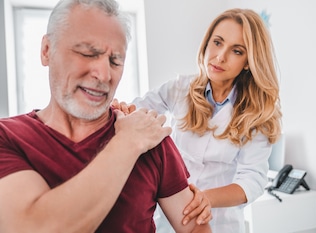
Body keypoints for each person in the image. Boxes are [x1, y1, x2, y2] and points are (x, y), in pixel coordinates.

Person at [0, 0, 212, 232]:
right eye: (87, 53)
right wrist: (127, 143)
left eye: (115, 61)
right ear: (46, 51)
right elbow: (34, 227)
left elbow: (194, 227)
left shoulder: (151, 137)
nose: (104, 75)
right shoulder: (7, 138)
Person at [114, 8, 282, 233]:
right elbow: (140, 108)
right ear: (206, 43)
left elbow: (252, 180)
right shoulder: (180, 88)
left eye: (237, 51)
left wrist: (206, 198)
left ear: (248, 62)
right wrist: (124, 110)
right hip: (168, 218)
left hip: (220, 222)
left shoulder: (258, 113)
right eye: (218, 42)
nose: (220, 56)